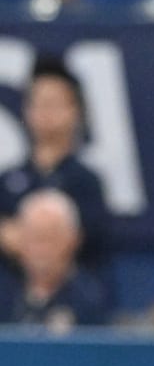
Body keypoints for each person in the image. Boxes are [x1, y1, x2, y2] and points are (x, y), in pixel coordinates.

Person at [0, 57, 109, 276]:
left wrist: (36, 239)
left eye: (55, 104)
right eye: (39, 103)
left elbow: (88, 240)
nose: (46, 113)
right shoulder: (9, 179)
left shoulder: (86, 182)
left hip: (69, 300)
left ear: (75, 111)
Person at [0, 188, 110, 333]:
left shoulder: (91, 298)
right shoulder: (5, 294)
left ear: (73, 240)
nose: (41, 250)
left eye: (49, 238)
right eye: (33, 237)